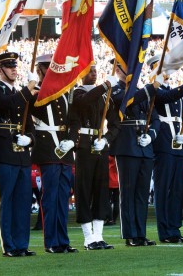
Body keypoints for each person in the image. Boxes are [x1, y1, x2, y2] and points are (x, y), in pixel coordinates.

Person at [0, 51, 38, 257]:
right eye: (9, 66)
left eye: (15, 66)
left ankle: (22, 244)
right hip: (4, 152)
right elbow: (8, 105)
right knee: (6, 201)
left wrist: (31, 139)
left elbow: (30, 124)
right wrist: (28, 89)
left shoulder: (20, 93)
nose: (14, 69)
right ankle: (9, 246)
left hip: (22, 154)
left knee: (23, 201)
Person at [105, 60, 159, 247]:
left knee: (142, 194)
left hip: (144, 147)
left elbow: (156, 119)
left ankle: (141, 233)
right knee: (128, 192)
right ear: (119, 69)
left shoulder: (142, 90)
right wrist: (151, 88)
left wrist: (151, 135)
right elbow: (127, 100)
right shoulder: (115, 89)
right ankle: (130, 234)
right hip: (126, 145)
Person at [30, 54, 77, 254]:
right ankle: (51, 241)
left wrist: (72, 140)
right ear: (40, 70)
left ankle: (63, 240)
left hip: (64, 150)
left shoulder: (65, 92)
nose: (51, 70)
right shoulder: (35, 92)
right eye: (47, 67)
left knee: (63, 197)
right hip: (47, 148)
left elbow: (74, 120)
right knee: (50, 197)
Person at [69, 63, 115, 250]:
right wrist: (105, 86)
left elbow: (115, 123)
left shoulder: (105, 95)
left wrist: (106, 139)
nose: (94, 74)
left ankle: (98, 235)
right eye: (90, 71)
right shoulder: (77, 92)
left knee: (101, 191)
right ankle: (88, 237)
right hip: (84, 145)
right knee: (84, 190)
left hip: (99, 145)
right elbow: (86, 101)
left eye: (96, 71)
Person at [148, 55, 183, 244]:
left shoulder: (176, 93)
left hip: (178, 144)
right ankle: (164, 231)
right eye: (160, 68)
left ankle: (174, 228)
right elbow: (166, 97)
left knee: (176, 190)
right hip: (163, 143)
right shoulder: (153, 90)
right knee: (163, 188)